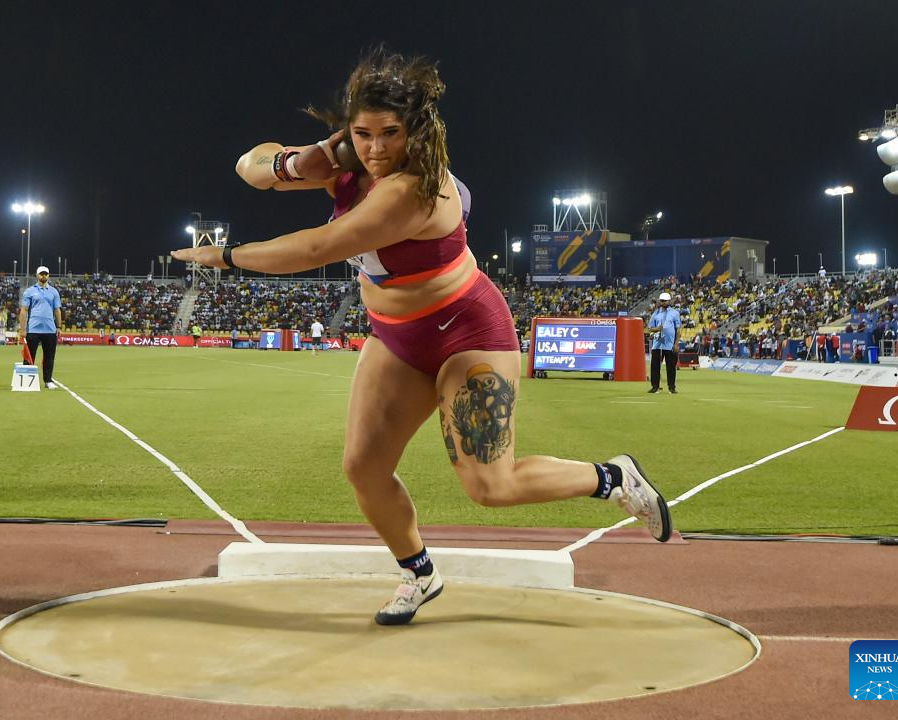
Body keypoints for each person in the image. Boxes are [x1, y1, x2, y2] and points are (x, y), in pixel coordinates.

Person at [172, 48, 672, 626]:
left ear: (416, 130)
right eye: (363, 134)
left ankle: (613, 477)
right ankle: (420, 573)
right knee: (363, 467)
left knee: (490, 486)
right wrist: (295, 162)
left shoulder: (415, 189)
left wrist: (226, 256)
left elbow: (316, 248)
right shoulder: (349, 159)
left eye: (391, 133)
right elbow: (248, 166)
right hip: (397, 337)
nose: (376, 149)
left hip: (467, 333)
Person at [17, 266, 63, 389]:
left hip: (50, 329)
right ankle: (26, 380)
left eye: (45, 274)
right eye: (41, 274)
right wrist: (23, 329)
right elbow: (24, 310)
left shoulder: (54, 292)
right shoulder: (29, 291)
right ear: (37, 275)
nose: (43, 276)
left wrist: (59, 326)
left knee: (49, 356)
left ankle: (48, 380)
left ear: (48, 275)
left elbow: (57, 310)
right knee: (29, 355)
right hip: (33, 329)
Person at [646, 292, 681, 394]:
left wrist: (676, 344)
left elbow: (678, 329)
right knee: (655, 367)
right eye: (662, 301)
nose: (663, 302)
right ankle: (655, 387)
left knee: (671, 367)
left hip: (670, 344)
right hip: (657, 344)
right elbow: (649, 328)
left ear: (669, 301)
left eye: (665, 301)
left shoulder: (675, 313)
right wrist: (657, 329)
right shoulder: (655, 313)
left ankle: (672, 387)